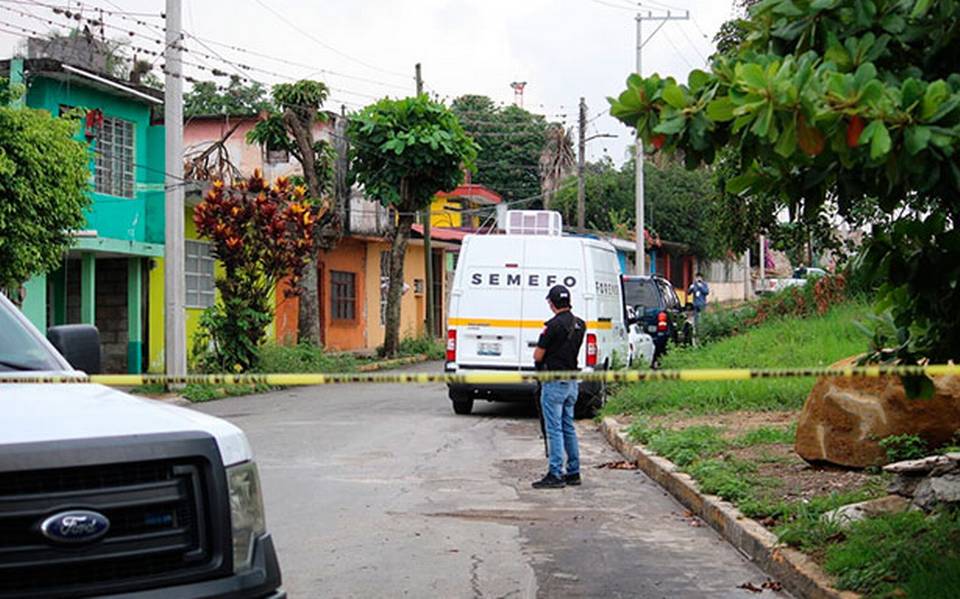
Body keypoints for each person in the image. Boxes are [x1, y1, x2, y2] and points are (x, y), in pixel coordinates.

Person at [531, 285, 586, 489]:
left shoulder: (552, 326)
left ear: (552, 303)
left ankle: (555, 473)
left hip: (554, 382)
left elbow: (538, 355)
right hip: (572, 382)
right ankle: (574, 472)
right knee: (568, 427)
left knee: (554, 429)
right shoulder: (580, 324)